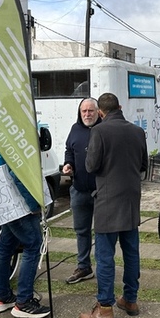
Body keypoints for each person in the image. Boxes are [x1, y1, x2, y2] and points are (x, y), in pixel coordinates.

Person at [79, 93, 148, 318]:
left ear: (100, 112)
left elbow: (91, 166)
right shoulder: (138, 132)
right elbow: (143, 165)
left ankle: (105, 307)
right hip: (131, 201)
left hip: (107, 202)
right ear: (120, 107)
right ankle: (130, 299)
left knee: (105, 256)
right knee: (131, 253)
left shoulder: (98, 131)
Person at [0, 147, 51, 318]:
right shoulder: (13, 139)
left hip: (5, 202)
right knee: (33, 245)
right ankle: (24, 302)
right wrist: (34, 204)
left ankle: (3, 297)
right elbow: (19, 175)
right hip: (21, 204)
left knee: (5, 248)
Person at [61, 98, 101, 284]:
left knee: (102, 231)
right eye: (84, 111)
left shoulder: (104, 129)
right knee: (81, 231)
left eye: (90, 111)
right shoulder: (75, 129)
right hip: (79, 190)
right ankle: (84, 267)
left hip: (101, 192)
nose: (87, 114)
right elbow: (69, 150)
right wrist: (68, 164)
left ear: (98, 111)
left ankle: (103, 268)